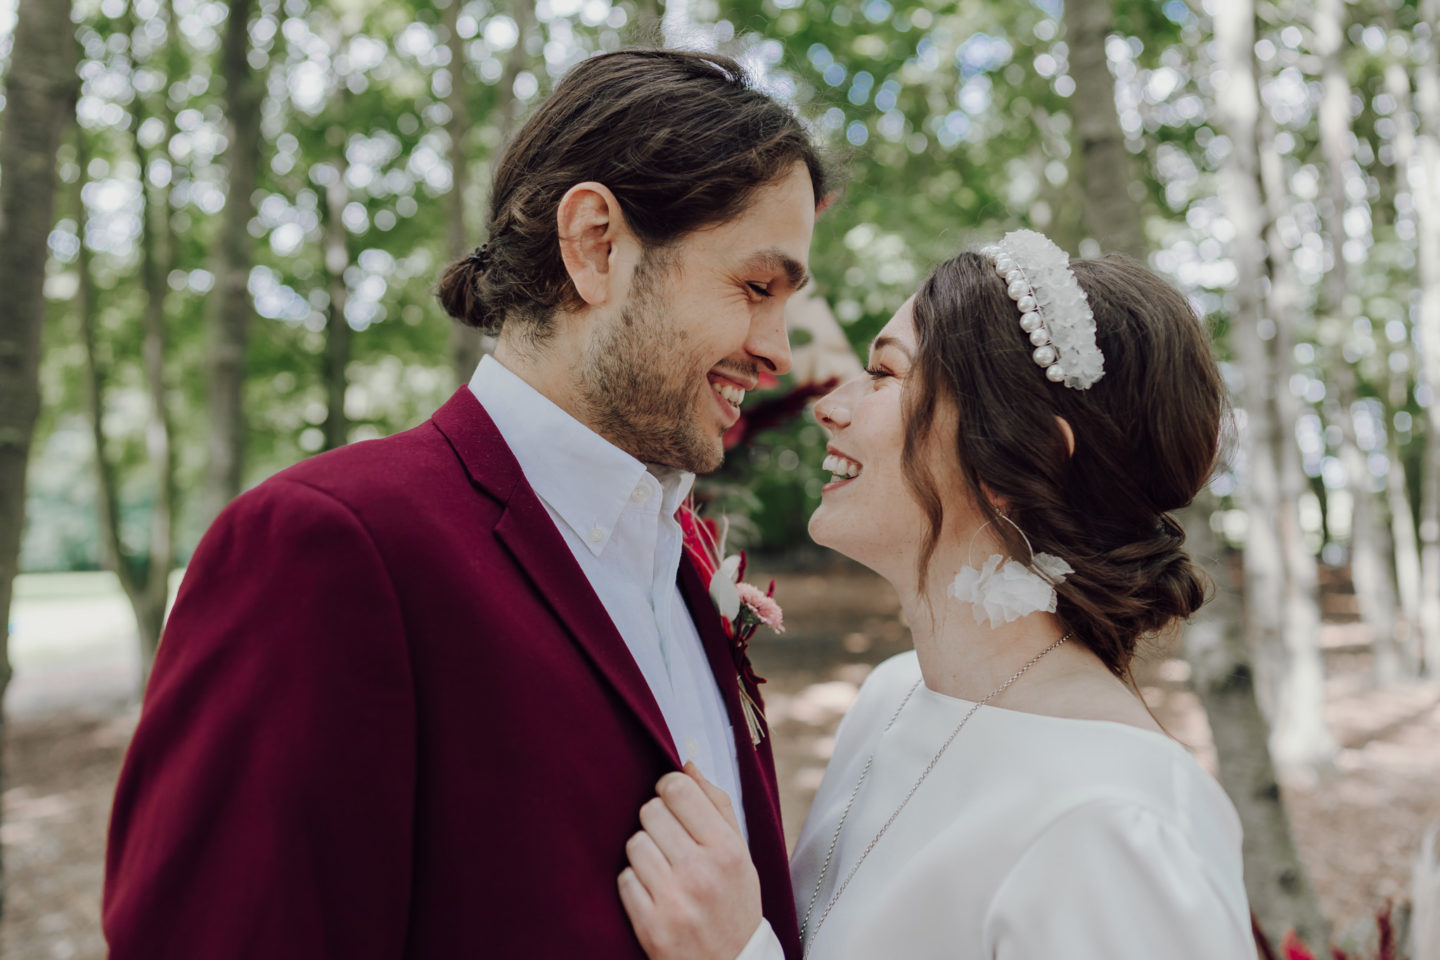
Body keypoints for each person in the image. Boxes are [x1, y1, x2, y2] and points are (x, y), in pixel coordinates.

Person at [103, 49, 827, 959]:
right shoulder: (329, 548)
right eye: (757, 287)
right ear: (596, 243)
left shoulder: (684, 558)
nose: (779, 352)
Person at [618, 232, 1255, 959]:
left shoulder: (1121, 823)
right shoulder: (888, 701)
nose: (832, 404)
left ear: (1023, 457)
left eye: (885, 374)